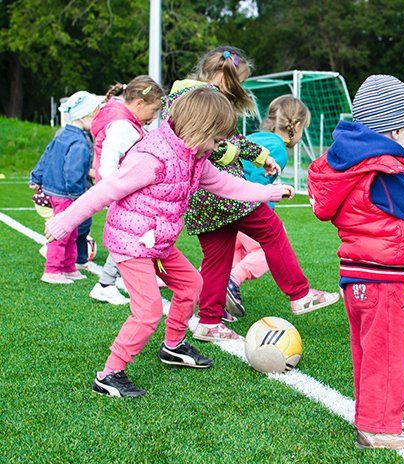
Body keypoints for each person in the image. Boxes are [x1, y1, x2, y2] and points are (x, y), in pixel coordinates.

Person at [44, 88, 294, 398]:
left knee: (192, 285)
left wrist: (267, 192)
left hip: (158, 243)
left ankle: (173, 347)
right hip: (131, 243)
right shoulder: (151, 158)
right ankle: (108, 374)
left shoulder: (195, 156)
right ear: (198, 130)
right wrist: (64, 222)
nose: (220, 146)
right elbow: (105, 191)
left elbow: (223, 184)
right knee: (148, 311)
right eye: (217, 139)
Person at [167, 46, 339, 341]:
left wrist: (261, 156)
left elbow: (231, 138)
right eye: (239, 81)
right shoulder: (203, 99)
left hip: (201, 199)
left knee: (217, 258)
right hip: (223, 192)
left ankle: (209, 322)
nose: (240, 88)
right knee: (272, 231)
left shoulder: (185, 95)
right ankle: (299, 294)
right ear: (223, 77)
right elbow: (212, 145)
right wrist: (236, 156)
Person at [308, 74, 404, 450]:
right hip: (381, 281)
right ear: (396, 130)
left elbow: (375, 217)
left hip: (359, 275)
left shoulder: (356, 166)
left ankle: (374, 413)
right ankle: (379, 427)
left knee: (369, 351)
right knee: (388, 353)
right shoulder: (382, 169)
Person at [226, 95, 311, 318]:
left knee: (231, 254)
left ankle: (209, 292)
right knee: (268, 248)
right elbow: (256, 180)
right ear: (298, 126)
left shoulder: (255, 137)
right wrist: (271, 193)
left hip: (225, 205)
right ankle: (232, 281)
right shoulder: (279, 150)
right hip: (246, 207)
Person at [88, 75, 164, 306]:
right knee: (130, 236)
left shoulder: (126, 121)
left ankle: (137, 275)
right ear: (139, 104)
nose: (153, 118)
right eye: (153, 111)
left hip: (124, 190)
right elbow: (109, 162)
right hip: (122, 191)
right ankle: (105, 284)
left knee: (142, 232)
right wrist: (115, 190)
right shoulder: (123, 126)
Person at [30, 91, 102, 284]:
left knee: (71, 231)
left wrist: (36, 176)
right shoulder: (79, 141)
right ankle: (52, 270)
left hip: (56, 190)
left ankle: (68, 267)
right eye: (95, 116)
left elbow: (46, 155)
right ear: (85, 116)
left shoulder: (62, 134)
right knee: (63, 231)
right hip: (67, 194)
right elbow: (73, 171)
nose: (97, 121)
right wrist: (78, 196)